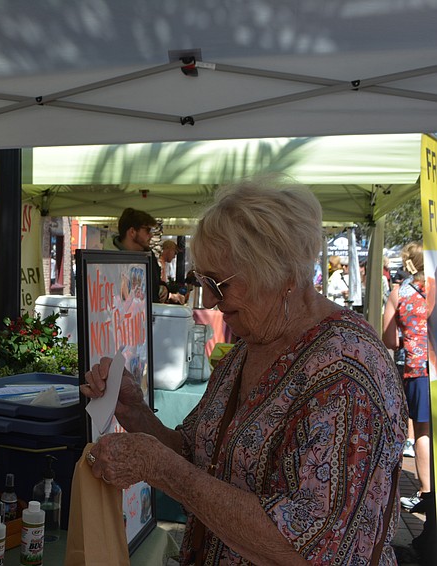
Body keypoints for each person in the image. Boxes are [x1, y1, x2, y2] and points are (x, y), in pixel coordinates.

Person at [82, 180, 406, 564]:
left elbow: (306, 548)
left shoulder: (347, 372)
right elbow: (197, 453)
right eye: (203, 281)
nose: (208, 300)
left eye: (218, 284)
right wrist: (134, 412)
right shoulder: (248, 348)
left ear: (282, 275)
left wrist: (163, 471)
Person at [383, 242, 431, 514]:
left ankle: (426, 492)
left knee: (422, 431)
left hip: (417, 368)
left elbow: (388, 338)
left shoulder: (400, 293)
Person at [109, 208, 185, 304]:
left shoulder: (149, 255)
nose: (151, 235)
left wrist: (164, 288)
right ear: (132, 232)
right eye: (147, 230)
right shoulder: (109, 259)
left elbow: (155, 283)